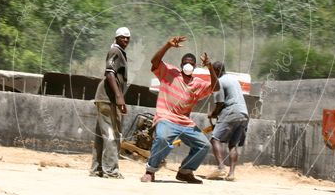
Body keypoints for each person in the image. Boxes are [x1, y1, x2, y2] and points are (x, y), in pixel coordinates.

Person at [140, 36, 218, 184]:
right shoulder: (170, 72)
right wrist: (167, 46)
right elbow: (154, 62)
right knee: (162, 138)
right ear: (181, 64)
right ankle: (150, 171)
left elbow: (216, 87)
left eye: (191, 64)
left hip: (184, 122)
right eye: (185, 63)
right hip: (166, 117)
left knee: (204, 145)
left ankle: (185, 172)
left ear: (195, 67)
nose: (188, 66)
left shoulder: (197, 83)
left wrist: (210, 67)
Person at [90, 27, 130, 178]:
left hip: (105, 98)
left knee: (101, 135)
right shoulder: (115, 51)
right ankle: (111, 171)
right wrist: (119, 97)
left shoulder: (119, 51)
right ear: (116, 38)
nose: (125, 40)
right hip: (108, 98)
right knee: (113, 134)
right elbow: (109, 73)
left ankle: (97, 169)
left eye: (127, 38)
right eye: (122, 37)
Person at [206, 61, 249, 181]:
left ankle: (220, 167)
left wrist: (212, 114)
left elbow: (220, 103)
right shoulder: (233, 79)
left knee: (215, 139)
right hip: (243, 114)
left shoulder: (219, 82)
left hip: (231, 112)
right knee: (232, 145)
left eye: (212, 71)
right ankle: (231, 174)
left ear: (216, 71)